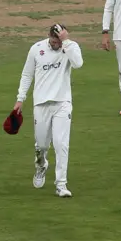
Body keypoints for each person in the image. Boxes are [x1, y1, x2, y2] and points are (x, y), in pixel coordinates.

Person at [13, 24, 83, 198]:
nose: (55, 45)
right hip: (41, 103)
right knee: (42, 144)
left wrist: (66, 42)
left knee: (61, 144)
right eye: (53, 41)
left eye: (58, 41)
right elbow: (27, 74)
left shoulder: (70, 47)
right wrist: (20, 99)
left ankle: (61, 184)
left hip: (62, 103)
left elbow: (78, 64)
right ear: (49, 37)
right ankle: (41, 165)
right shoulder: (36, 49)